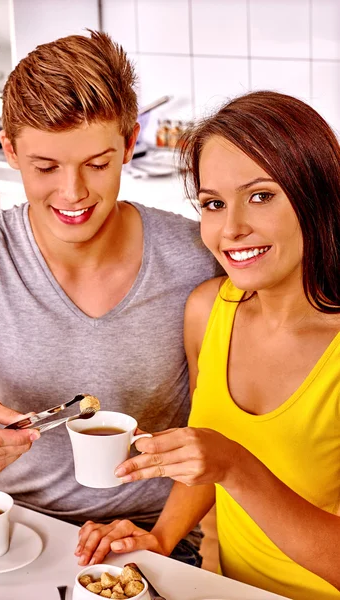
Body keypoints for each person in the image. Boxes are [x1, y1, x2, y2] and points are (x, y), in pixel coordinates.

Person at [0, 31, 220, 566]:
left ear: (130, 143)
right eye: (46, 167)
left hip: (154, 536)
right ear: (12, 151)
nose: (72, 194)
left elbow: (220, 430)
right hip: (17, 528)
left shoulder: (195, 257)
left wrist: (161, 535)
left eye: (97, 163)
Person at [75, 91, 340, 599]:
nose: (231, 229)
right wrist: (161, 538)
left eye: (261, 196)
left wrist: (237, 467)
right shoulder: (208, 311)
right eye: (213, 203)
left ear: (317, 194)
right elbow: (204, 455)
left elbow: (224, 462)